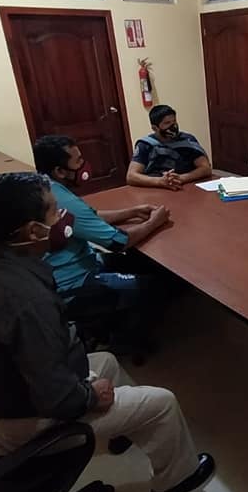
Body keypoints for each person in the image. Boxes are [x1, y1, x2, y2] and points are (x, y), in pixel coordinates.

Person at [0, 172, 215, 492]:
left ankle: (123, 430)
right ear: (32, 231)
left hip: (3, 395)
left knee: (107, 361)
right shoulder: (27, 301)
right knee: (163, 403)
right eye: (54, 211)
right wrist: (89, 397)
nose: (64, 217)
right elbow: (57, 397)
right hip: (26, 420)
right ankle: (176, 480)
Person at [33, 135, 169, 349]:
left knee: (144, 262)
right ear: (60, 171)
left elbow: (88, 217)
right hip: (72, 284)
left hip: (80, 263)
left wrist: (132, 212)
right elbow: (119, 242)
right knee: (151, 285)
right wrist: (155, 222)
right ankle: (123, 342)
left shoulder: (46, 187)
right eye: (78, 161)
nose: (84, 164)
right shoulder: (60, 198)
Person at [127, 105, 212, 190]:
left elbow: (206, 168)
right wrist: (159, 181)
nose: (173, 126)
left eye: (174, 121)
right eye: (167, 123)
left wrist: (181, 178)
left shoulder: (188, 140)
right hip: (155, 189)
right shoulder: (145, 145)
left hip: (186, 186)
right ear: (155, 128)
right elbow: (131, 176)